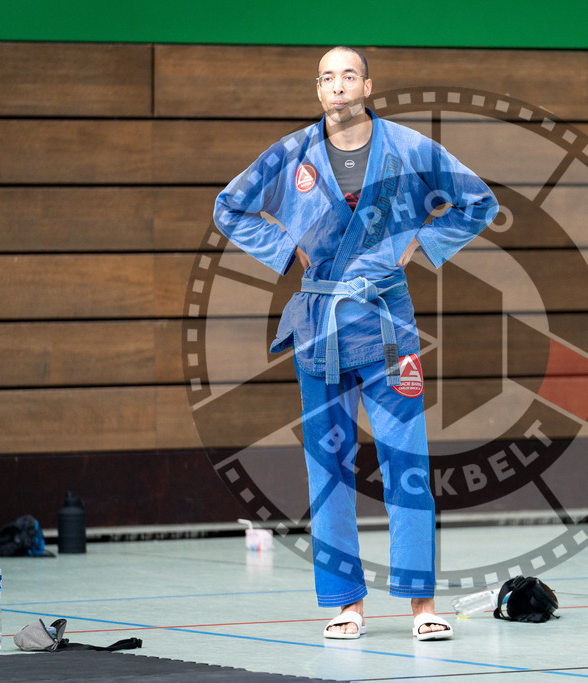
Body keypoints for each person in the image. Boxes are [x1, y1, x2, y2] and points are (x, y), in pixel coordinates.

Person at [213, 46, 498, 640]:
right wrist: (285, 250)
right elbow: (230, 207)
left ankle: (421, 605)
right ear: (318, 90)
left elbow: (478, 201)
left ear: (368, 84)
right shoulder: (291, 154)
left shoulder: (409, 148)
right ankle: (345, 602)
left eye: (348, 74)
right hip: (320, 321)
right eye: (326, 77)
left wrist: (419, 243)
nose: (337, 85)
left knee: (407, 463)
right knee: (329, 468)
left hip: (388, 319)